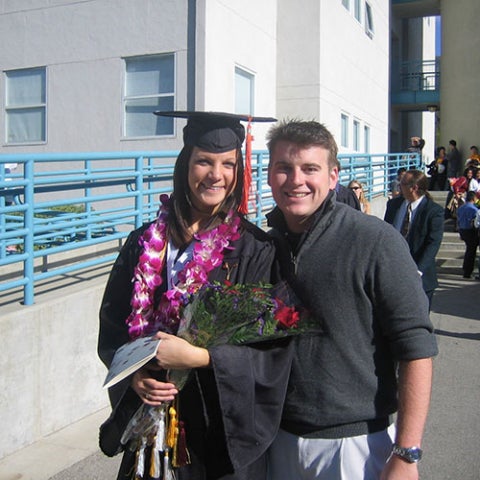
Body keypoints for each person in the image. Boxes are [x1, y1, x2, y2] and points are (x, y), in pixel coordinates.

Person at [98, 111, 293, 480]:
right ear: (185, 163)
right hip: (150, 426)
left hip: (218, 433)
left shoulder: (256, 249)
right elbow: (113, 327)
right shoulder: (143, 242)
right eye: (204, 160)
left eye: (227, 164)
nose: (215, 174)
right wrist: (133, 376)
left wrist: (203, 357)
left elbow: (275, 349)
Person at [265, 119, 438, 480]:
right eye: (284, 168)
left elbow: (416, 347)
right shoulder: (263, 247)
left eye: (310, 168)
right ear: (269, 175)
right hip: (275, 440)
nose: (296, 180)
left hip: (354, 448)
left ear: (333, 177)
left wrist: (407, 453)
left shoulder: (375, 241)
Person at [384, 169, 444, 310]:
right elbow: (385, 234)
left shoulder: (433, 211)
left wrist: (418, 270)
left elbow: (433, 243)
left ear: (414, 188)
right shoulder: (394, 205)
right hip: (393, 274)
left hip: (420, 277)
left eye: (402, 183)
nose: (399, 186)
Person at [456, 191, 480, 279]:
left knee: (469, 250)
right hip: (471, 231)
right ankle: (468, 270)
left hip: (463, 230)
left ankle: (467, 270)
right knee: (471, 251)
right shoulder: (474, 209)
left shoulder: (461, 208)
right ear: (474, 198)